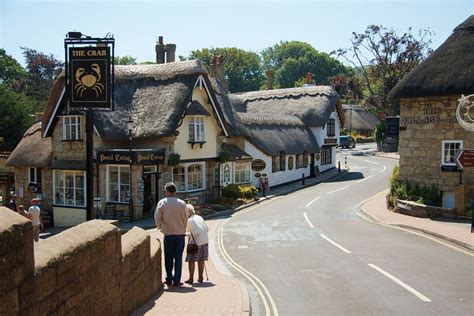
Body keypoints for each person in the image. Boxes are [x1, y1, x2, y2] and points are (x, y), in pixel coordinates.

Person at [154, 182, 188, 287]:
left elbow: (157, 217)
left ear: (167, 191)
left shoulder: (162, 203)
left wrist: (159, 226)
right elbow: (186, 218)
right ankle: (177, 280)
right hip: (180, 234)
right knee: (178, 257)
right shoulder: (182, 203)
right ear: (175, 191)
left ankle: (169, 278)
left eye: (165, 190)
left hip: (168, 234)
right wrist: (183, 228)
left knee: (168, 257)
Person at [184, 204, 209, 285]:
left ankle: (191, 278)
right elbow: (207, 228)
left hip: (196, 243)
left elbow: (195, 232)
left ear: (187, 213)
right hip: (204, 241)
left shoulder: (190, 220)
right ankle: (200, 277)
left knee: (191, 260)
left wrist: (185, 234)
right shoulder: (199, 217)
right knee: (201, 260)